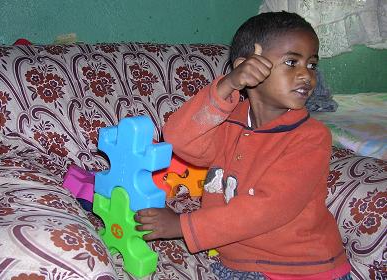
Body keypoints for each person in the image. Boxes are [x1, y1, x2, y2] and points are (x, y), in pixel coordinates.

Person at [134, 11, 351, 280]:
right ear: (247, 67)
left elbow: (267, 209)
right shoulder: (230, 123)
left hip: (300, 268)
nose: (306, 75)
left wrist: (182, 225)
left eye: (312, 65)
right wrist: (227, 86)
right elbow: (179, 138)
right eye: (292, 62)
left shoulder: (311, 136)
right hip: (236, 263)